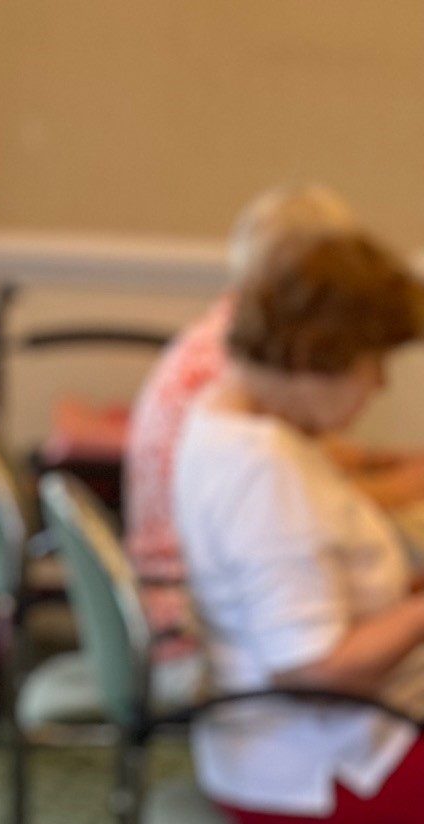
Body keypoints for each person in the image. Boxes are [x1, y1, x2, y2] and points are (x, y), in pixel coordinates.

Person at [174, 230, 424, 822]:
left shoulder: (223, 413)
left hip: (272, 746)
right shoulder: (263, 469)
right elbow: (315, 672)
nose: (381, 385)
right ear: (315, 360)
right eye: (373, 364)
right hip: (325, 771)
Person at [124, 186, 424, 637]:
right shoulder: (242, 406)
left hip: (212, 601)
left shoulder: (236, 364)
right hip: (189, 623)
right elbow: (294, 502)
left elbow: (315, 469)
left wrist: (385, 462)